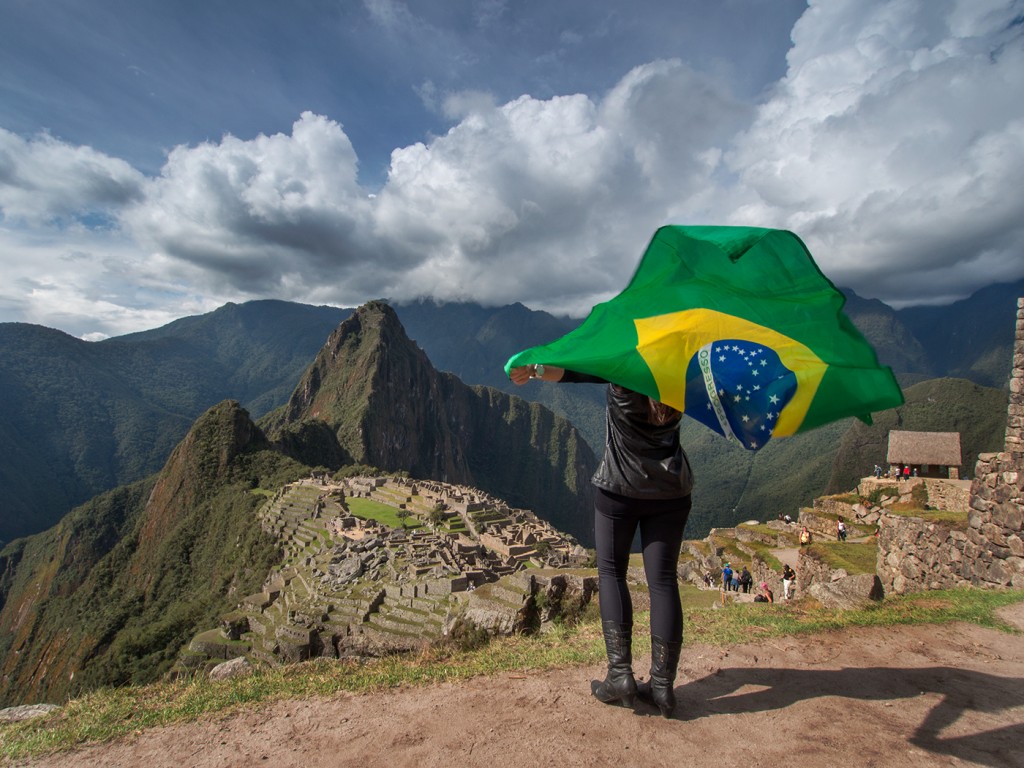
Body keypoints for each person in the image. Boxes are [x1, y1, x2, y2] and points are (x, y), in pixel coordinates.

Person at [510, 362, 692, 719]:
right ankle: (662, 686)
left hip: (619, 490)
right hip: (671, 490)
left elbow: (577, 370)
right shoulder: (683, 366)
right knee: (663, 582)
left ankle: (620, 675)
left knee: (611, 574)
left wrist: (533, 370)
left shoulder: (624, 363)